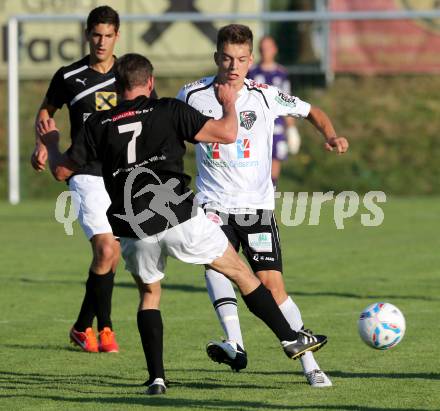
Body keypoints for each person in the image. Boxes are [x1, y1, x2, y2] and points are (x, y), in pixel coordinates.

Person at [37, 53, 328, 395]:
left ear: (116, 86)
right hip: (178, 217)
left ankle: (157, 378)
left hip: (133, 227)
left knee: (149, 295)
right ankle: (290, 339)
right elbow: (226, 133)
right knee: (241, 273)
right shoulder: (169, 111)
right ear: (150, 82)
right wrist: (227, 104)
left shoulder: (97, 124)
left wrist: (52, 144)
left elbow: (61, 171)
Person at [177, 24, 348, 387]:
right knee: (217, 264)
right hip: (212, 203)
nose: (234, 66)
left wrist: (330, 135)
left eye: (241, 59)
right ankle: (235, 343)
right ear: (216, 58)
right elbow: (169, 129)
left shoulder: (266, 95)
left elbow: (312, 111)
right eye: (227, 58)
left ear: (251, 59)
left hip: (256, 207)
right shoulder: (192, 95)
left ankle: (310, 364)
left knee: (273, 286)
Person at [30, 6, 121, 353]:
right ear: (87, 34)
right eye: (96, 34)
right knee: (105, 248)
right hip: (83, 171)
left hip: (120, 175)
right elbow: (45, 112)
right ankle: (107, 328)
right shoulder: (69, 76)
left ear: (116, 37)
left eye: (107, 35)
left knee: (110, 257)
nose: (101, 41)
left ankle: (83, 327)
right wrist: (41, 144)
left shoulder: (127, 75)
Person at [247, 35, 302, 187]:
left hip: (276, 123)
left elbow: (287, 101)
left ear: (274, 50)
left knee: (275, 156)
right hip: (255, 122)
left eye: (268, 48)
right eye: (262, 48)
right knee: (254, 158)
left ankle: (271, 191)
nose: (265, 51)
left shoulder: (281, 73)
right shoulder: (251, 72)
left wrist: (291, 127)